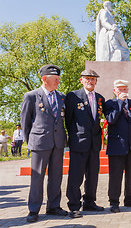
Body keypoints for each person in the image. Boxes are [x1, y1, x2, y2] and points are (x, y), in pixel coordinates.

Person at [21, 64, 68, 223]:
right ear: (44, 79)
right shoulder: (32, 96)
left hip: (58, 143)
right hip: (39, 143)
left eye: (59, 79)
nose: (58, 82)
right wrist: (32, 141)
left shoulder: (61, 97)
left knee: (56, 176)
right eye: (56, 79)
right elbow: (25, 123)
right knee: (37, 177)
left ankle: (53, 206)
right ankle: (34, 209)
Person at [65, 70, 106, 219]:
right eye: (87, 78)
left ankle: (89, 202)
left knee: (92, 175)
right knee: (76, 176)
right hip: (79, 142)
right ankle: (74, 206)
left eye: (93, 79)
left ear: (96, 81)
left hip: (94, 144)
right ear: (81, 80)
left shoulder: (100, 98)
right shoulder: (73, 96)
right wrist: (75, 136)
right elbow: (68, 120)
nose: (90, 81)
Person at [105, 80, 131, 213]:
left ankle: (130, 199)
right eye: (120, 89)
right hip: (116, 146)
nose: (123, 92)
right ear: (115, 91)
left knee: (130, 175)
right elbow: (111, 119)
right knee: (115, 176)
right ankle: (114, 202)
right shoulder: (110, 103)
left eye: (125, 89)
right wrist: (120, 103)